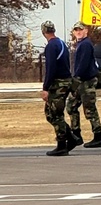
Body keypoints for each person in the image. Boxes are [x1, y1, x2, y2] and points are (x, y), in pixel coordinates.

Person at [67, 21, 101, 148]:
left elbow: (83, 64)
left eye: (81, 30)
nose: (78, 32)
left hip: (86, 81)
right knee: (71, 106)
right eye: (76, 30)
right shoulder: (80, 44)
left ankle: (98, 137)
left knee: (90, 109)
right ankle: (76, 134)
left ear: (86, 31)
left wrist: (76, 79)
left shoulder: (85, 44)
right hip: (81, 81)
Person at [40, 21, 76, 156]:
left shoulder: (51, 46)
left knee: (55, 114)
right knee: (50, 113)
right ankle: (71, 137)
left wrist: (46, 87)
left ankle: (62, 144)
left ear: (43, 32)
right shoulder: (61, 43)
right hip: (66, 81)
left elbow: (51, 68)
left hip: (58, 84)